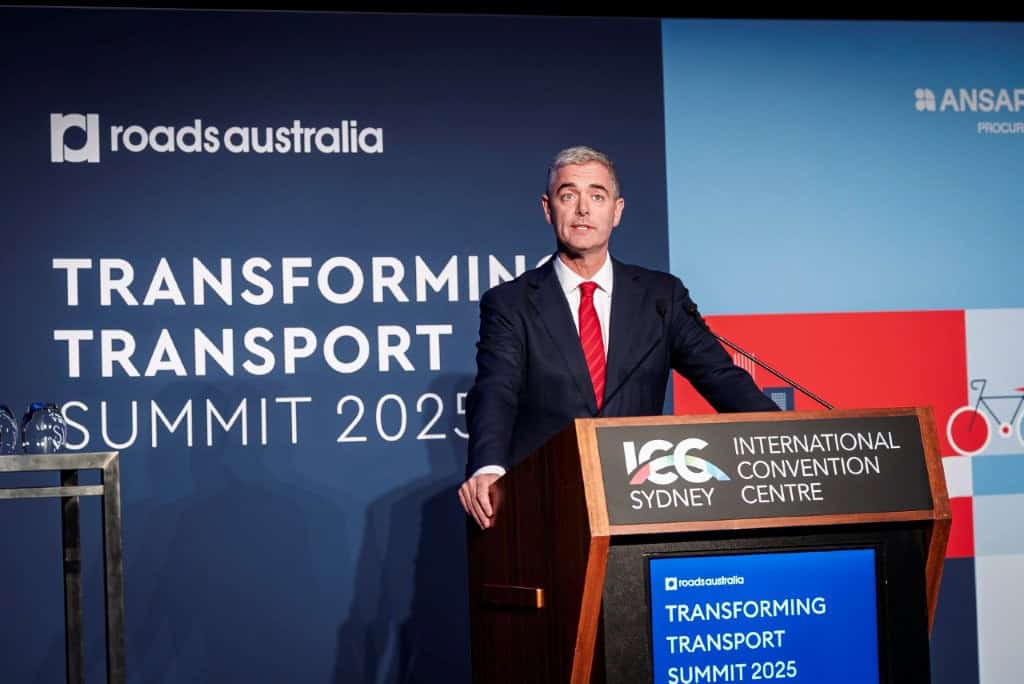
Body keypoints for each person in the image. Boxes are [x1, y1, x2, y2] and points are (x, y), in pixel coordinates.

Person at [457, 146, 779, 529]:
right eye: (568, 195)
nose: (583, 209)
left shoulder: (661, 297)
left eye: (597, 196)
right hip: (545, 504)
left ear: (617, 211)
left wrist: (785, 438)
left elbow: (721, 378)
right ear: (548, 209)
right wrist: (489, 467)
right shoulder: (510, 303)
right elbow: (497, 391)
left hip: (642, 501)